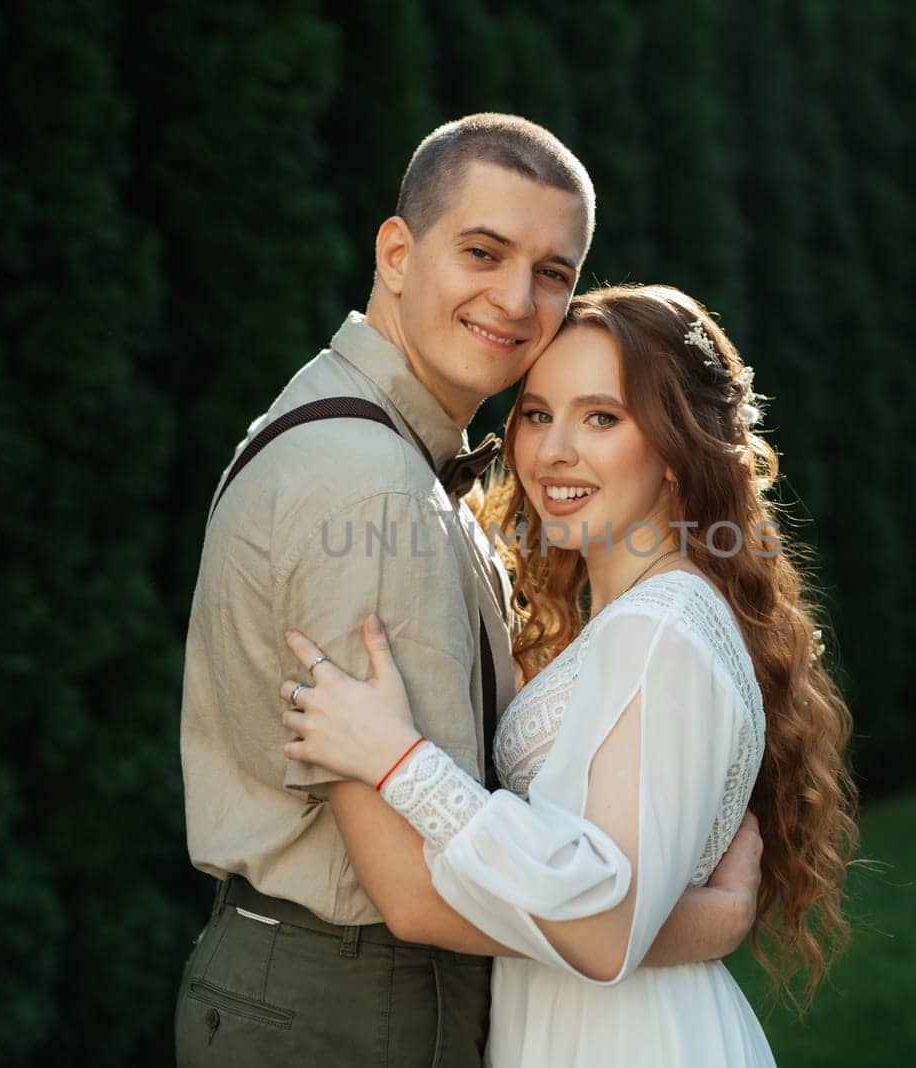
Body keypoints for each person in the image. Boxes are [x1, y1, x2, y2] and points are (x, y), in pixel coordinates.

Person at [174, 116, 762, 1067]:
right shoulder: (369, 482)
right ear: (397, 253)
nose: (517, 299)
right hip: (355, 997)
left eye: (553, 272)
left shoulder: (366, 448)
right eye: (482, 252)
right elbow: (411, 892)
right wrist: (707, 921)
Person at [280, 284, 861, 1067]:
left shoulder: (660, 630)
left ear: (677, 449)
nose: (553, 450)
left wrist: (396, 761)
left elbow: (604, 929)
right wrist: (709, 917)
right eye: (537, 413)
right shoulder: (648, 618)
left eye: (601, 417)